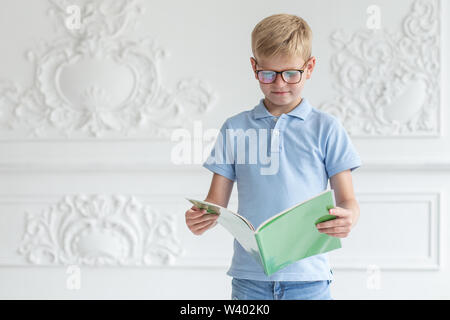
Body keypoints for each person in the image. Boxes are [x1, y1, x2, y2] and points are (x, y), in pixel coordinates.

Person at [184, 13, 362, 300]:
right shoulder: (235, 127)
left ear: (310, 67)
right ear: (254, 67)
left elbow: (348, 200)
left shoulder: (326, 128)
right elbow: (215, 203)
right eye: (268, 74)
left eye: (291, 73)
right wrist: (200, 218)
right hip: (249, 280)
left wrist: (348, 218)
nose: (279, 84)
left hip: (309, 279)